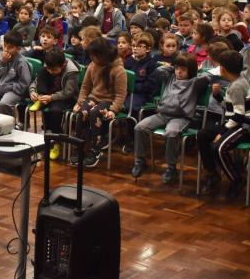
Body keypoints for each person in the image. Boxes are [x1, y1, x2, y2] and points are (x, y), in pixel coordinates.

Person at [131, 54, 211, 183]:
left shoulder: (194, 83)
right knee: (139, 127)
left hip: (181, 117)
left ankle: (171, 168)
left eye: (183, 69)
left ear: (190, 71)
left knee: (171, 133)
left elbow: (207, 78)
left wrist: (197, 72)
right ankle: (140, 160)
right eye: (177, 68)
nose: (179, 71)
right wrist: (171, 66)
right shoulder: (170, 78)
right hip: (163, 114)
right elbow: (159, 70)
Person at [196, 50, 250, 200]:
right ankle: (212, 173)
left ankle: (237, 179)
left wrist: (222, 131)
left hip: (244, 127)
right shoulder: (235, 83)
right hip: (234, 123)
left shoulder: (237, 86)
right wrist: (218, 96)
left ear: (223, 69)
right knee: (202, 135)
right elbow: (230, 108)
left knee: (218, 148)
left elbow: (239, 116)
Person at [72, 37, 128, 168]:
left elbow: (120, 95)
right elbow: (85, 87)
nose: (92, 58)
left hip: (109, 101)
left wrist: (113, 110)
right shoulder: (93, 65)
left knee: (94, 113)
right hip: (94, 98)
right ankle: (78, 146)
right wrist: (80, 102)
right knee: (82, 113)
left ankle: (95, 149)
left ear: (103, 55)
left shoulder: (119, 70)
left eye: (94, 55)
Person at [28, 49, 80, 158]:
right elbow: (36, 81)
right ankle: (48, 134)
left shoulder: (72, 71)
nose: (51, 72)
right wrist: (33, 91)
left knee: (55, 110)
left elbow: (68, 92)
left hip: (64, 98)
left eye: (54, 70)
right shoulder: (48, 67)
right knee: (42, 74)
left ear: (63, 64)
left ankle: (56, 141)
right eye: (49, 68)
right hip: (48, 94)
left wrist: (51, 97)